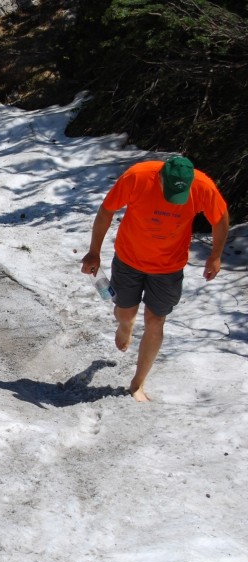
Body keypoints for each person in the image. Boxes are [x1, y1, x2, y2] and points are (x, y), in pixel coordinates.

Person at [80, 155, 229, 402]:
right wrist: (94, 251)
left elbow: (221, 218)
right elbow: (107, 210)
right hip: (129, 258)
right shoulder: (137, 177)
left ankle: (137, 384)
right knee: (125, 313)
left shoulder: (203, 187)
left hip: (169, 267)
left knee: (156, 319)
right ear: (159, 176)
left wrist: (215, 255)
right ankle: (125, 325)